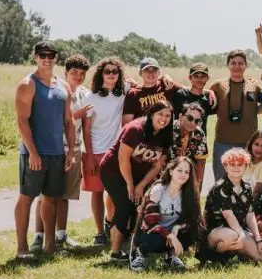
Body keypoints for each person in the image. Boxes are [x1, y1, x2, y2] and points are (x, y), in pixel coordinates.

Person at [99, 102, 172, 262]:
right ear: (152, 114)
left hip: (139, 176)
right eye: (160, 114)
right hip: (114, 171)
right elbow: (122, 159)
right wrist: (130, 185)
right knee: (124, 205)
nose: (164, 119)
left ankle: (130, 247)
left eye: (168, 116)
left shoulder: (166, 134)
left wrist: (140, 186)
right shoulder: (135, 129)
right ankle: (115, 252)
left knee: (137, 208)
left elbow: (157, 166)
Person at [34, 54, 90, 251]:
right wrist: (76, 115)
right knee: (45, 196)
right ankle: (38, 237)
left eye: (82, 73)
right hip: (53, 149)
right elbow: (49, 123)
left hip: (74, 150)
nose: (78, 76)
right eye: (74, 72)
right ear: (65, 72)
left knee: (65, 195)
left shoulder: (85, 94)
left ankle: (61, 235)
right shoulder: (56, 91)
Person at [82, 57, 127, 246]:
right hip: (94, 151)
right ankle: (100, 232)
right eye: (107, 71)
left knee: (116, 192)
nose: (110, 75)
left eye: (114, 72)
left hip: (115, 152)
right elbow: (86, 129)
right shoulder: (90, 97)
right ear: (101, 74)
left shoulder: (124, 93)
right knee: (97, 192)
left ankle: (113, 224)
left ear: (119, 75)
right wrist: (91, 157)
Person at [201, 148, 262, 264]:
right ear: (225, 167)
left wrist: (258, 238)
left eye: (240, 164)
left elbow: (250, 215)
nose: (236, 167)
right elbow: (229, 216)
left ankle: (237, 252)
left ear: (245, 167)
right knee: (232, 236)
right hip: (216, 232)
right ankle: (215, 258)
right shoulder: (220, 187)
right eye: (232, 164)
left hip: (238, 230)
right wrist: (242, 236)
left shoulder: (247, 187)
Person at [130, 157, 201, 272]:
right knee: (156, 240)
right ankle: (139, 254)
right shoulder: (159, 190)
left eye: (187, 172)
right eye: (179, 170)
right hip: (150, 233)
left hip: (170, 233)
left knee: (195, 231)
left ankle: (171, 257)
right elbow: (149, 222)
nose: (183, 174)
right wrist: (170, 235)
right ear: (171, 171)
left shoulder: (188, 193)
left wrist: (176, 228)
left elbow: (193, 219)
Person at [209, 50, 262, 182]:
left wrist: (252, 111)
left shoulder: (254, 85)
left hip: (248, 142)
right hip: (223, 141)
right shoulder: (218, 85)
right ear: (228, 65)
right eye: (233, 63)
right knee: (221, 181)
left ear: (246, 65)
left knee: (246, 182)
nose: (237, 66)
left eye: (241, 63)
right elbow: (209, 103)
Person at [121, 57, 178, 125]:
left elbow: (191, 90)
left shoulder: (167, 85)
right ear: (140, 73)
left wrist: (167, 76)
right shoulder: (133, 94)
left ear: (158, 73)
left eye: (154, 70)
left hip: (165, 132)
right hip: (143, 133)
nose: (151, 73)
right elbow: (127, 124)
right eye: (146, 70)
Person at [170, 102, 208, 192]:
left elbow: (201, 161)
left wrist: (198, 183)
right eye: (189, 118)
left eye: (197, 121)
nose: (192, 123)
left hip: (187, 177)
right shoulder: (168, 129)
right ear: (180, 116)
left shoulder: (199, 134)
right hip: (165, 176)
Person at [172, 63, 215, 135]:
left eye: (203, 76)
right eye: (196, 76)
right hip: (179, 141)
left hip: (199, 143)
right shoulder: (180, 95)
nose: (199, 79)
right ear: (190, 78)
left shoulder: (209, 99)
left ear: (208, 78)